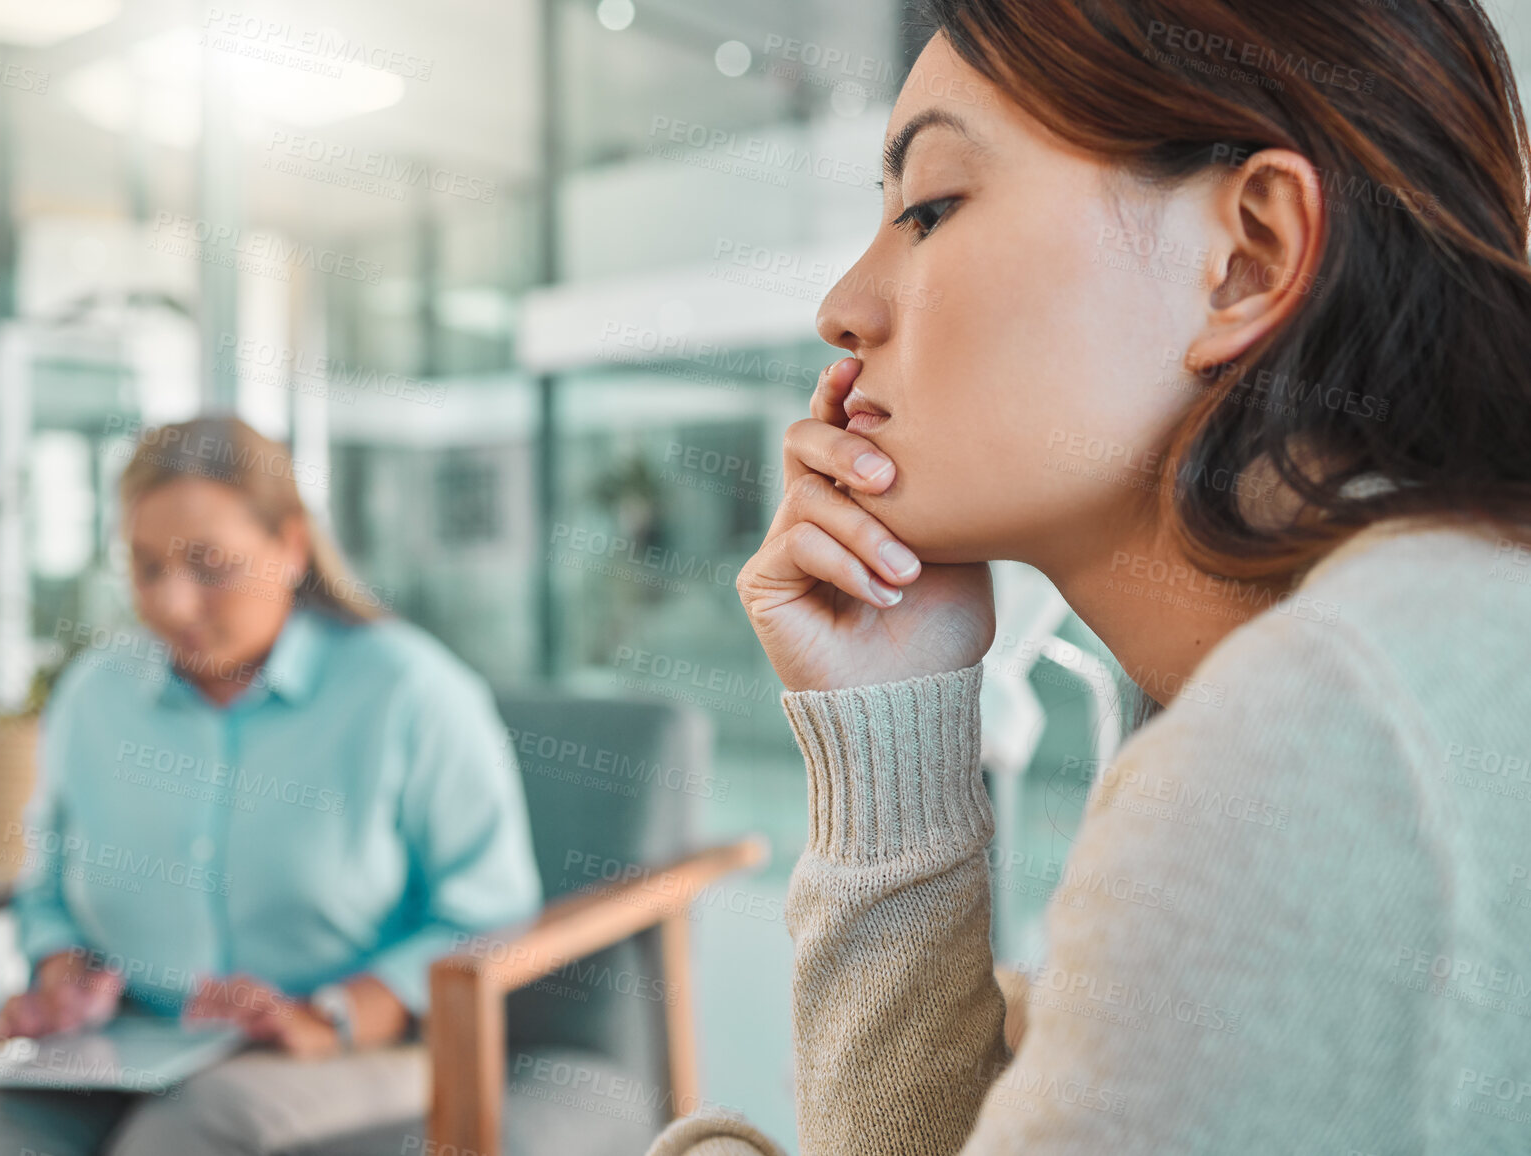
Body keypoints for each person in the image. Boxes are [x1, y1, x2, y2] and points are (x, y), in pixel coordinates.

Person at [649, 2, 1531, 1154]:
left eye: (929, 206)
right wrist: (888, 734)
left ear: (1246, 258)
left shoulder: (1321, 731)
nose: (841, 310)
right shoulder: (1395, 641)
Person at [0, 416, 542, 1156]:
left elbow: (489, 917)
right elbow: (48, 890)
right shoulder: (94, 696)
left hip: (349, 1049)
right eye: (145, 567)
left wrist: (331, 1014)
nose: (171, 604)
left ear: (290, 547)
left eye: (210, 566)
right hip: (136, 1036)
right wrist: (63, 975)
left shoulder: (410, 693)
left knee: (186, 1132)